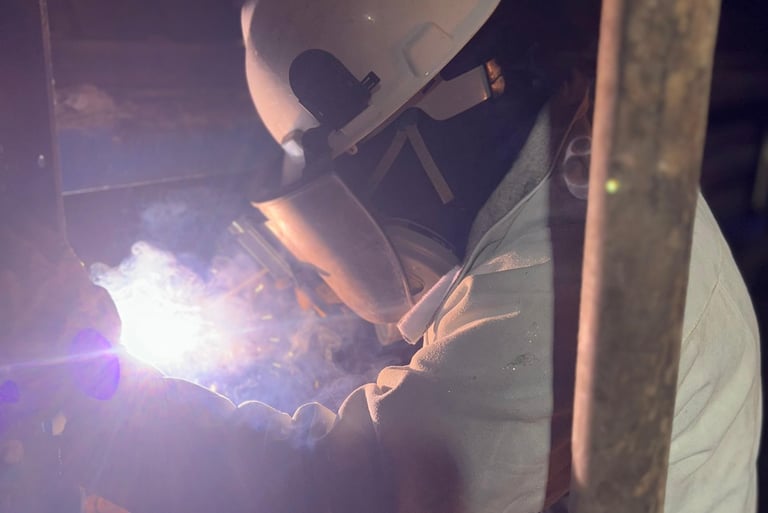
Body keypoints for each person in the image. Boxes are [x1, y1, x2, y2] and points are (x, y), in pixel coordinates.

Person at [0, 1, 761, 512]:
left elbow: (335, 491)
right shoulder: (572, 181)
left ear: (402, 140)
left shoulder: (560, 283)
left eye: (334, 172)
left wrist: (96, 401)